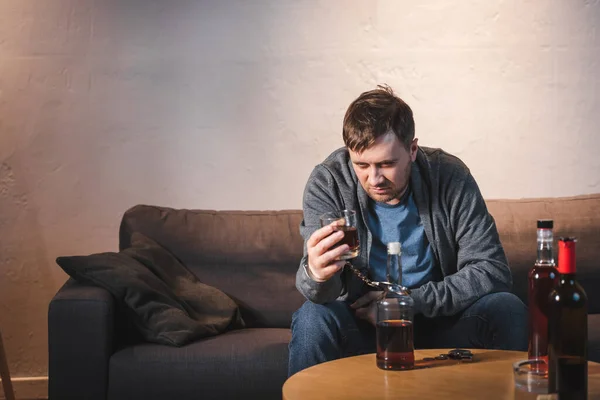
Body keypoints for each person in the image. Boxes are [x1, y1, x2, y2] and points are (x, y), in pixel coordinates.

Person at [288, 84, 527, 376]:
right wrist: (316, 273)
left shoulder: (449, 176)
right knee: (313, 317)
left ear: (412, 150)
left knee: (507, 308)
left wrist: (405, 303)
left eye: (387, 163)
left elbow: (492, 270)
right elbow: (320, 292)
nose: (373, 178)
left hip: (440, 321)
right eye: (361, 164)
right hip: (363, 325)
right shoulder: (329, 182)